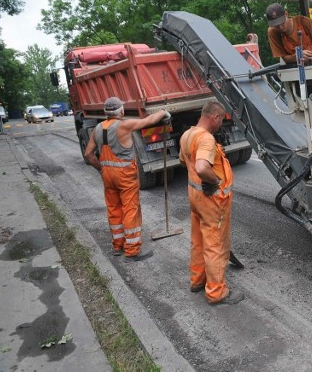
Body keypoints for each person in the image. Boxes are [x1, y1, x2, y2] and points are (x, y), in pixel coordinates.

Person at [84, 96, 170, 262]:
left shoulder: (97, 128)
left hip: (108, 174)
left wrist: (101, 169)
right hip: (124, 175)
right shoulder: (124, 125)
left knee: (113, 208)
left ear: (105, 112)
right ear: (121, 111)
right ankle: (132, 250)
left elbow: (88, 154)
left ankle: (118, 246)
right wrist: (163, 112)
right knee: (130, 209)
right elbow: (149, 120)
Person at [179, 100, 244, 305]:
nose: (221, 124)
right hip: (211, 200)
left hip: (195, 197)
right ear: (215, 117)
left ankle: (197, 280)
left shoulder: (188, 135)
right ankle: (217, 292)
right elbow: (201, 167)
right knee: (215, 242)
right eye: (221, 120)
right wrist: (214, 180)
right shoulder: (206, 139)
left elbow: (184, 161)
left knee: (198, 239)